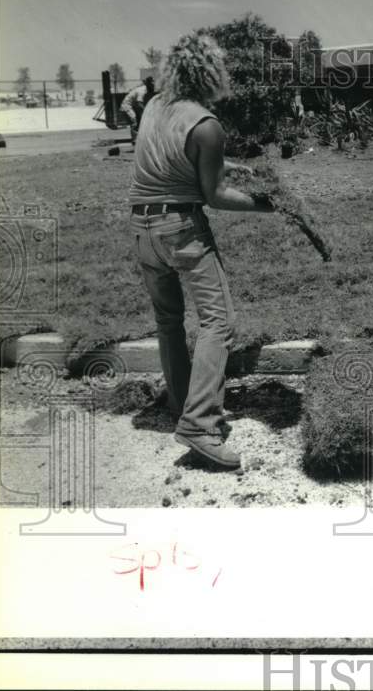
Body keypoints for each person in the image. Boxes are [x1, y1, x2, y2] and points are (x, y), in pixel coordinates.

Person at [129, 34, 274, 470]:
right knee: (219, 322)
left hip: (139, 227)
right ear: (211, 73)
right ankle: (199, 423)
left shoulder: (154, 106)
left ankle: (180, 402)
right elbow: (214, 195)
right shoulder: (207, 124)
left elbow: (174, 156)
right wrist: (266, 204)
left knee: (169, 321)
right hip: (181, 229)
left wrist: (227, 162)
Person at [120, 76, 156, 145]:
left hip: (132, 105)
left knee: (139, 121)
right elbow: (139, 103)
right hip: (127, 106)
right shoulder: (142, 91)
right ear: (148, 84)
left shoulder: (146, 90)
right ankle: (135, 141)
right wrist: (146, 112)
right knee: (134, 121)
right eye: (152, 84)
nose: (153, 86)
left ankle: (140, 139)